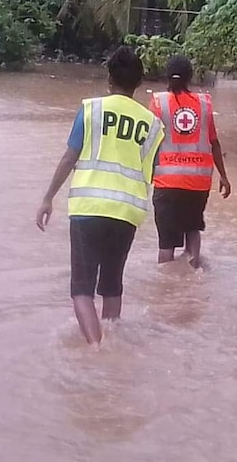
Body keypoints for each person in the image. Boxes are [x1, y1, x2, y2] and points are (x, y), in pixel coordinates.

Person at [36, 46, 165, 345]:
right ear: (139, 82)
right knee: (111, 286)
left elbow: (70, 157)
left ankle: (98, 350)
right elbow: (153, 170)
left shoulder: (92, 110)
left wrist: (47, 198)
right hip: (127, 212)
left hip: (89, 207)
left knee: (81, 289)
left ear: (109, 79)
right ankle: (112, 340)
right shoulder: (153, 124)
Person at [149, 55, 231, 267]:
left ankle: (167, 289)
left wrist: (144, 176)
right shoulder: (204, 103)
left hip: (167, 183)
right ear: (190, 76)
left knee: (166, 245)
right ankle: (194, 275)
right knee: (193, 230)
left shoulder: (158, 102)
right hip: (198, 183)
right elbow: (214, 142)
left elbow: (149, 143)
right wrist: (223, 176)